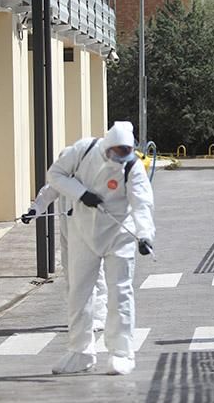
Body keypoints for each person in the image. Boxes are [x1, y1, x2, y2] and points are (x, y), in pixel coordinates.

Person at [46, 122, 155, 376]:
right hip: (83, 231)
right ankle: (80, 351)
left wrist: (145, 235)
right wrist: (81, 193)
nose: (120, 155)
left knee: (121, 291)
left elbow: (141, 202)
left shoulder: (132, 166)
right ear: (107, 146)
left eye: (125, 150)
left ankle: (122, 352)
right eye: (116, 150)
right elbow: (55, 174)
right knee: (79, 291)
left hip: (119, 233)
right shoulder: (83, 151)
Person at [22, 183, 108, 333]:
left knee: (91, 275)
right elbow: (48, 192)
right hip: (68, 232)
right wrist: (34, 211)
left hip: (89, 233)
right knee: (70, 274)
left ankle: (98, 316)